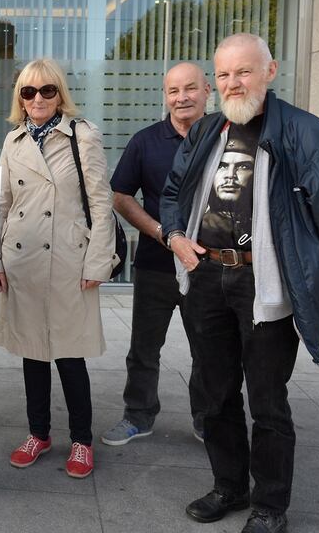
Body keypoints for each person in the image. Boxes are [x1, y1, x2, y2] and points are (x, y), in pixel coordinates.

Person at [161, 33, 319, 533]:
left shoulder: (303, 132)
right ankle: (229, 486)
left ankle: (271, 505)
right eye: (225, 74)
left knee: (268, 402)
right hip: (205, 276)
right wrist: (175, 235)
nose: (234, 82)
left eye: (244, 71)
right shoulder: (204, 130)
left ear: (270, 73)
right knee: (215, 392)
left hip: (264, 284)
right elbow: (171, 194)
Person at [0, 58, 118, 481]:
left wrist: (99, 260)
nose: (38, 99)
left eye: (47, 90)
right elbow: (2, 204)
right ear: (20, 99)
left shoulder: (83, 136)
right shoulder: (13, 142)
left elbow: (102, 203)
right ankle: (38, 433)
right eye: (28, 92)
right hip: (23, 258)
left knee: (68, 353)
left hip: (69, 260)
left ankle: (81, 439)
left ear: (60, 93)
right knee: (32, 351)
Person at [101, 62, 211, 447]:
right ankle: (139, 416)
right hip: (156, 263)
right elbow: (120, 196)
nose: (181, 98)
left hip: (210, 268)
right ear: (164, 96)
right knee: (144, 348)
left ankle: (208, 421)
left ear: (207, 91)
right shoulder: (146, 141)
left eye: (190, 89)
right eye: (173, 91)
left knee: (210, 350)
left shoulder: (225, 139)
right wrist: (163, 235)